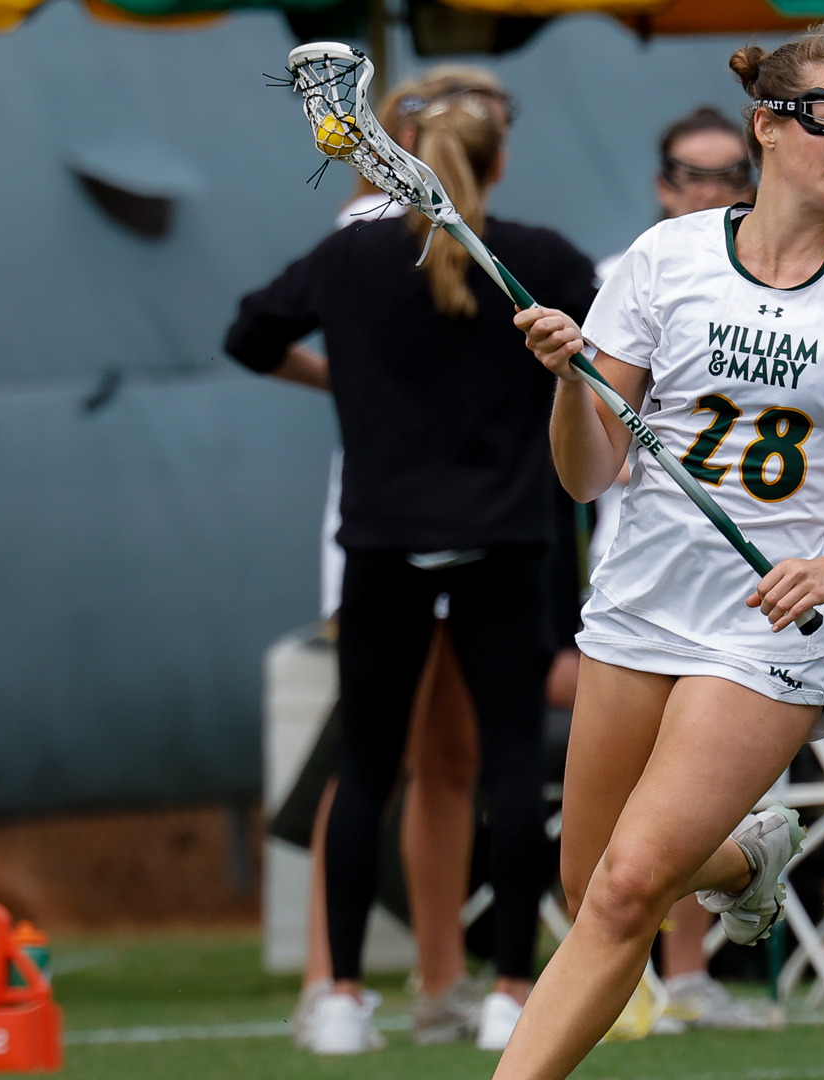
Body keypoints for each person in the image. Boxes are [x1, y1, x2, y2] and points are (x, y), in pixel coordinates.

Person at [504, 28, 824, 1080]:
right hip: (641, 603)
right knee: (592, 888)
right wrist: (568, 383)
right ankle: (742, 859)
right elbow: (587, 476)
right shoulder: (663, 258)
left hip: (772, 627)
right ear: (767, 126)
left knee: (630, 886)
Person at [225, 65, 598, 1055]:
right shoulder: (539, 258)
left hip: (383, 540)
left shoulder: (346, 257)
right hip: (505, 540)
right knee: (509, 770)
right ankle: (511, 991)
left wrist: (340, 382)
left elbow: (249, 334)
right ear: (498, 162)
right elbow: (612, 355)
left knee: (367, 766)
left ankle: (342, 999)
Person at [590, 104, 775, 1034]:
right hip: (635, 581)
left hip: (741, 595)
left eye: (727, 173)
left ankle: (689, 973)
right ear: (663, 185)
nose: (710, 190)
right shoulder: (628, 274)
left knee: (678, 806)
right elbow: (589, 459)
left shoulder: (794, 287)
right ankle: (738, 869)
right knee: (604, 844)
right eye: (691, 175)